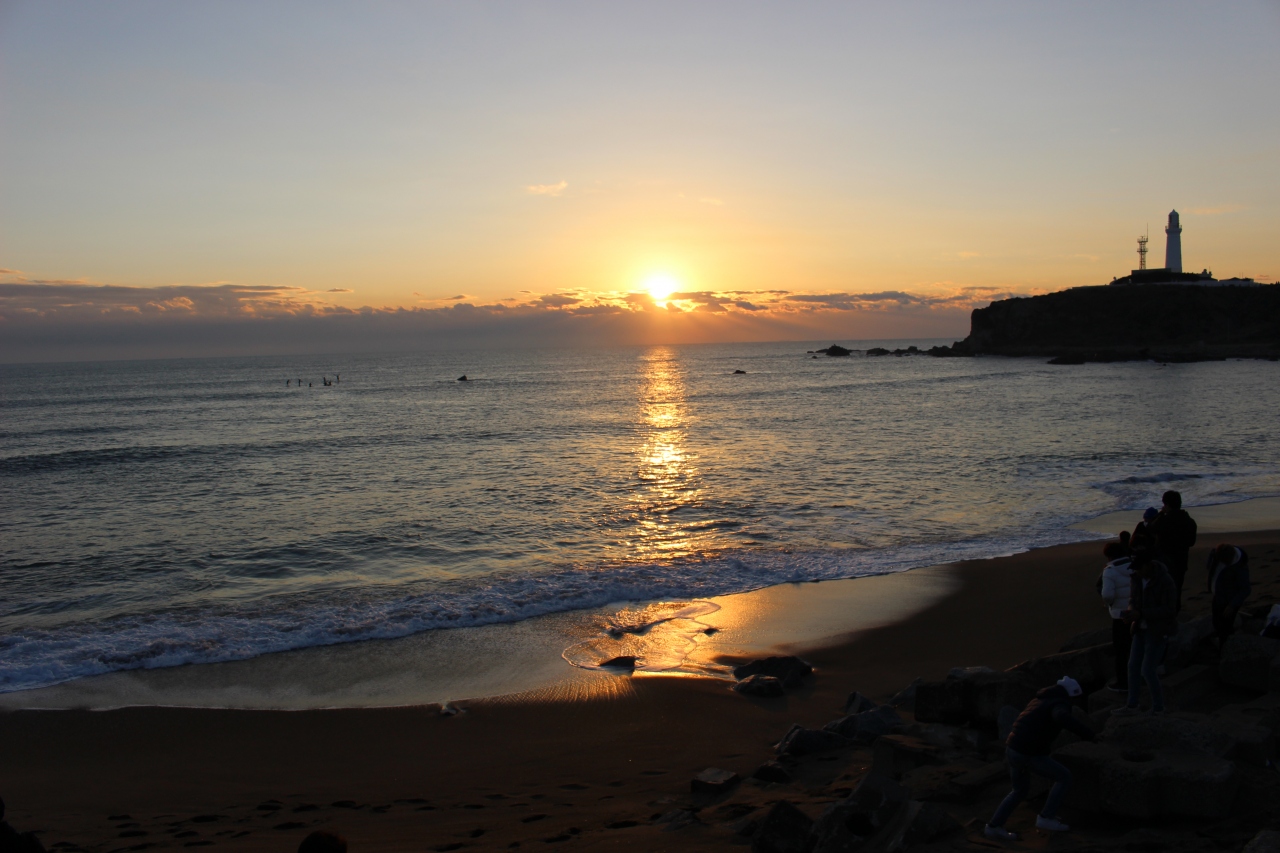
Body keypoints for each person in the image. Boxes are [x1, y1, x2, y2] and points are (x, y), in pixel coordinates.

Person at [984, 676, 1095, 842]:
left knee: (1018, 791)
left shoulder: (1040, 699)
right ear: (1071, 695)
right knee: (1064, 777)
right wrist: (1089, 734)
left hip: (1013, 748)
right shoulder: (1059, 703)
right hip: (1028, 753)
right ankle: (1046, 818)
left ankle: (993, 827)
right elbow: (1061, 717)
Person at [1114, 549, 1178, 716]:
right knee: (1132, 666)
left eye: (1139, 567)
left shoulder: (1165, 581)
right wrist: (1131, 612)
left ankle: (1158, 708)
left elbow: (1169, 610)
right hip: (1139, 628)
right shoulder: (1136, 578)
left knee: (1148, 670)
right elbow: (1132, 599)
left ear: (1149, 565)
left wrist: (1141, 614)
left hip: (1157, 630)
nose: (1136, 571)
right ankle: (1132, 705)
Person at [1148, 490, 1197, 611]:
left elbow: (1150, 528)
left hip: (1164, 561)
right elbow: (1191, 542)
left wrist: (1160, 514)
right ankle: (1175, 611)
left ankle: (1166, 612)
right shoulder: (1190, 521)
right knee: (1177, 587)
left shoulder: (1164, 521)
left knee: (1163, 588)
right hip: (1181, 559)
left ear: (1167, 505)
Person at [1099, 541, 1134, 692]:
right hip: (1136, 611)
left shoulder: (1110, 571)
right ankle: (1139, 676)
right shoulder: (1134, 564)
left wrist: (1109, 604)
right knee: (1136, 646)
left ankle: (1123, 682)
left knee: (1120, 650)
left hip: (1119, 614)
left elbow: (1107, 595)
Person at [1207, 544, 1250, 648]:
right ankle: (1223, 643)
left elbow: (1246, 589)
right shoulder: (1217, 556)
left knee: (1225, 627)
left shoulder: (1240, 568)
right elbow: (1210, 567)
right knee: (1216, 622)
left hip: (1229, 601)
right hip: (1218, 597)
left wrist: (1232, 605)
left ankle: (1225, 649)